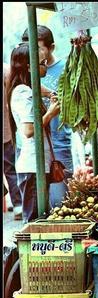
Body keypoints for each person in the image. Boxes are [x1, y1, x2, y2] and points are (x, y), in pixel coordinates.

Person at [7, 43, 61, 223]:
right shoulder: (23, 93)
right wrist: (51, 113)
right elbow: (29, 130)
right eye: (42, 63)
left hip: (37, 165)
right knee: (33, 222)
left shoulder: (28, 89)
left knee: (39, 219)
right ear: (29, 67)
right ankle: (25, 253)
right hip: (32, 166)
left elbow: (40, 90)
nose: (45, 66)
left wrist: (48, 95)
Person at [22, 25, 74, 209]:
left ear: (51, 47)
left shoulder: (65, 68)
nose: (32, 53)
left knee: (61, 203)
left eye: (38, 48)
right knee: (39, 207)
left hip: (58, 145)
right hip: (34, 149)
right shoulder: (24, 72)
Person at [3, 62, 23, 220]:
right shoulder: (5, 70)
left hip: (5, 130)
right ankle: (18, 205)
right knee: (10, 169)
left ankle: (18, 205)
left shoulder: (5, 70)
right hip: (5, 129)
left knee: (10, 169)